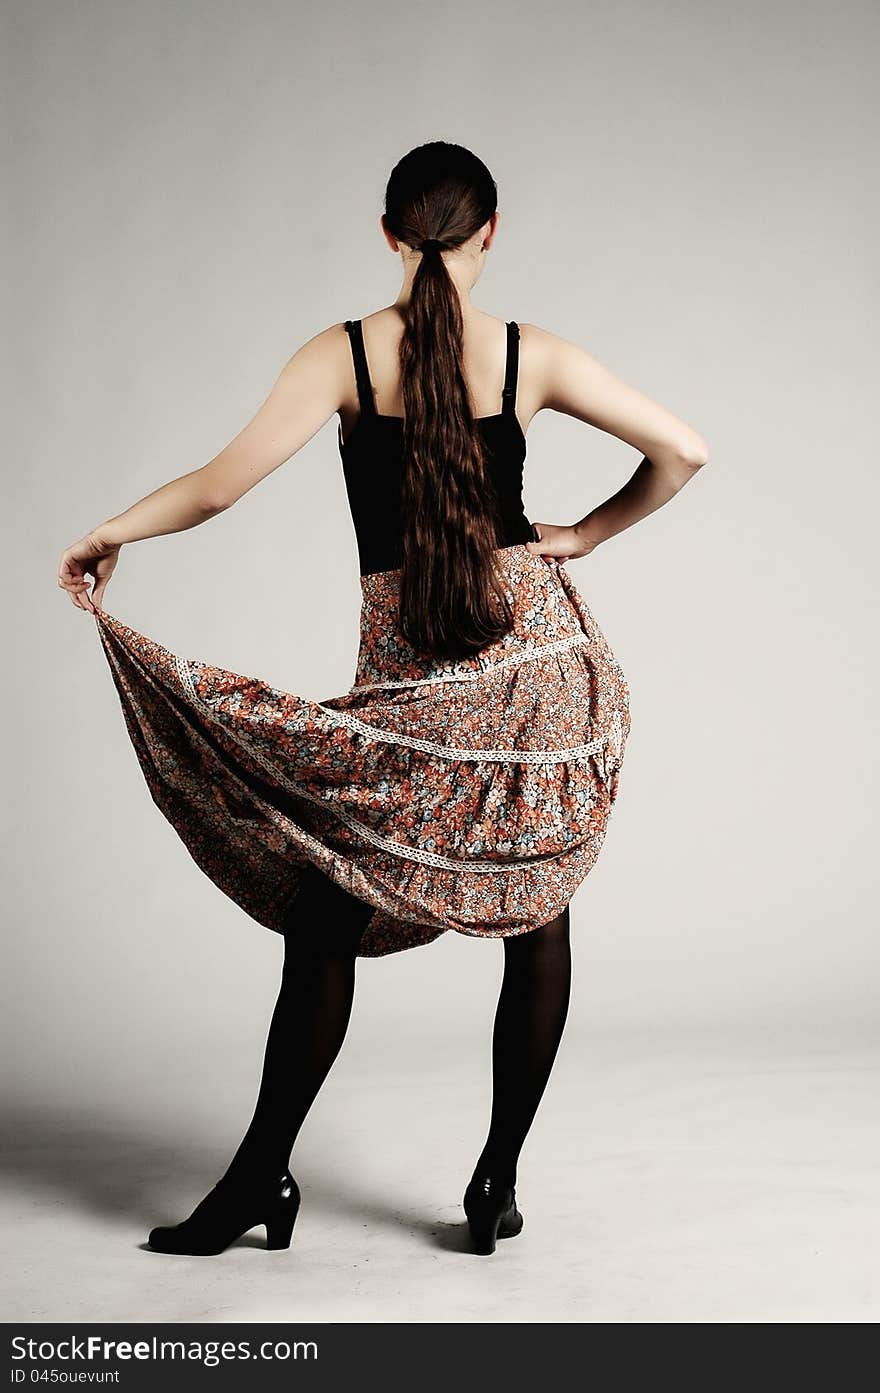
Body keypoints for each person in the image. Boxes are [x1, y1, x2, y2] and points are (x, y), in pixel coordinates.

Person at [57, 141, 708, 1258]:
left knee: (326, 911)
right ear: (491, 233)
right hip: (535, 667)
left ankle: (261, 1178)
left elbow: (217, 488)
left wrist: (110, 530)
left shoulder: (345, 355)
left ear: (389, 236)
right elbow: (683, 451)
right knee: (533, 912)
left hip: (421, 676)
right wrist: (583, 536)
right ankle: (492, 1182)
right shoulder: (531, 354)